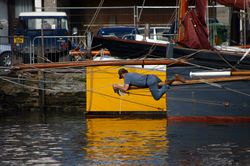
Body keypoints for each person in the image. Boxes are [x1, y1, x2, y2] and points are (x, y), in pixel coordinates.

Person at [113, 68, 185, 100]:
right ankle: (173, 78)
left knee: (157, 97)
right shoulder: (132, 74)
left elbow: (125, 88)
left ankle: (171, 81)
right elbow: (137, 82)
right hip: (152, 77)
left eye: (121, 77)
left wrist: (117, 86)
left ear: (123, 74)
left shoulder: (127, 76)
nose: (122, 78)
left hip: (150, 82)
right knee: (162, 85)